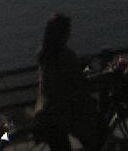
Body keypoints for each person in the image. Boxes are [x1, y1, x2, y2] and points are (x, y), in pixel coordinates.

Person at [34, 13, 106, 151]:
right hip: (65, 113)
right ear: (63, 34)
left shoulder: (44, 54)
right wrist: (99, 76)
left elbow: (59, 77)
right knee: (96, 134)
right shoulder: (66, 55)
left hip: (46, 111)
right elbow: (78, 81)